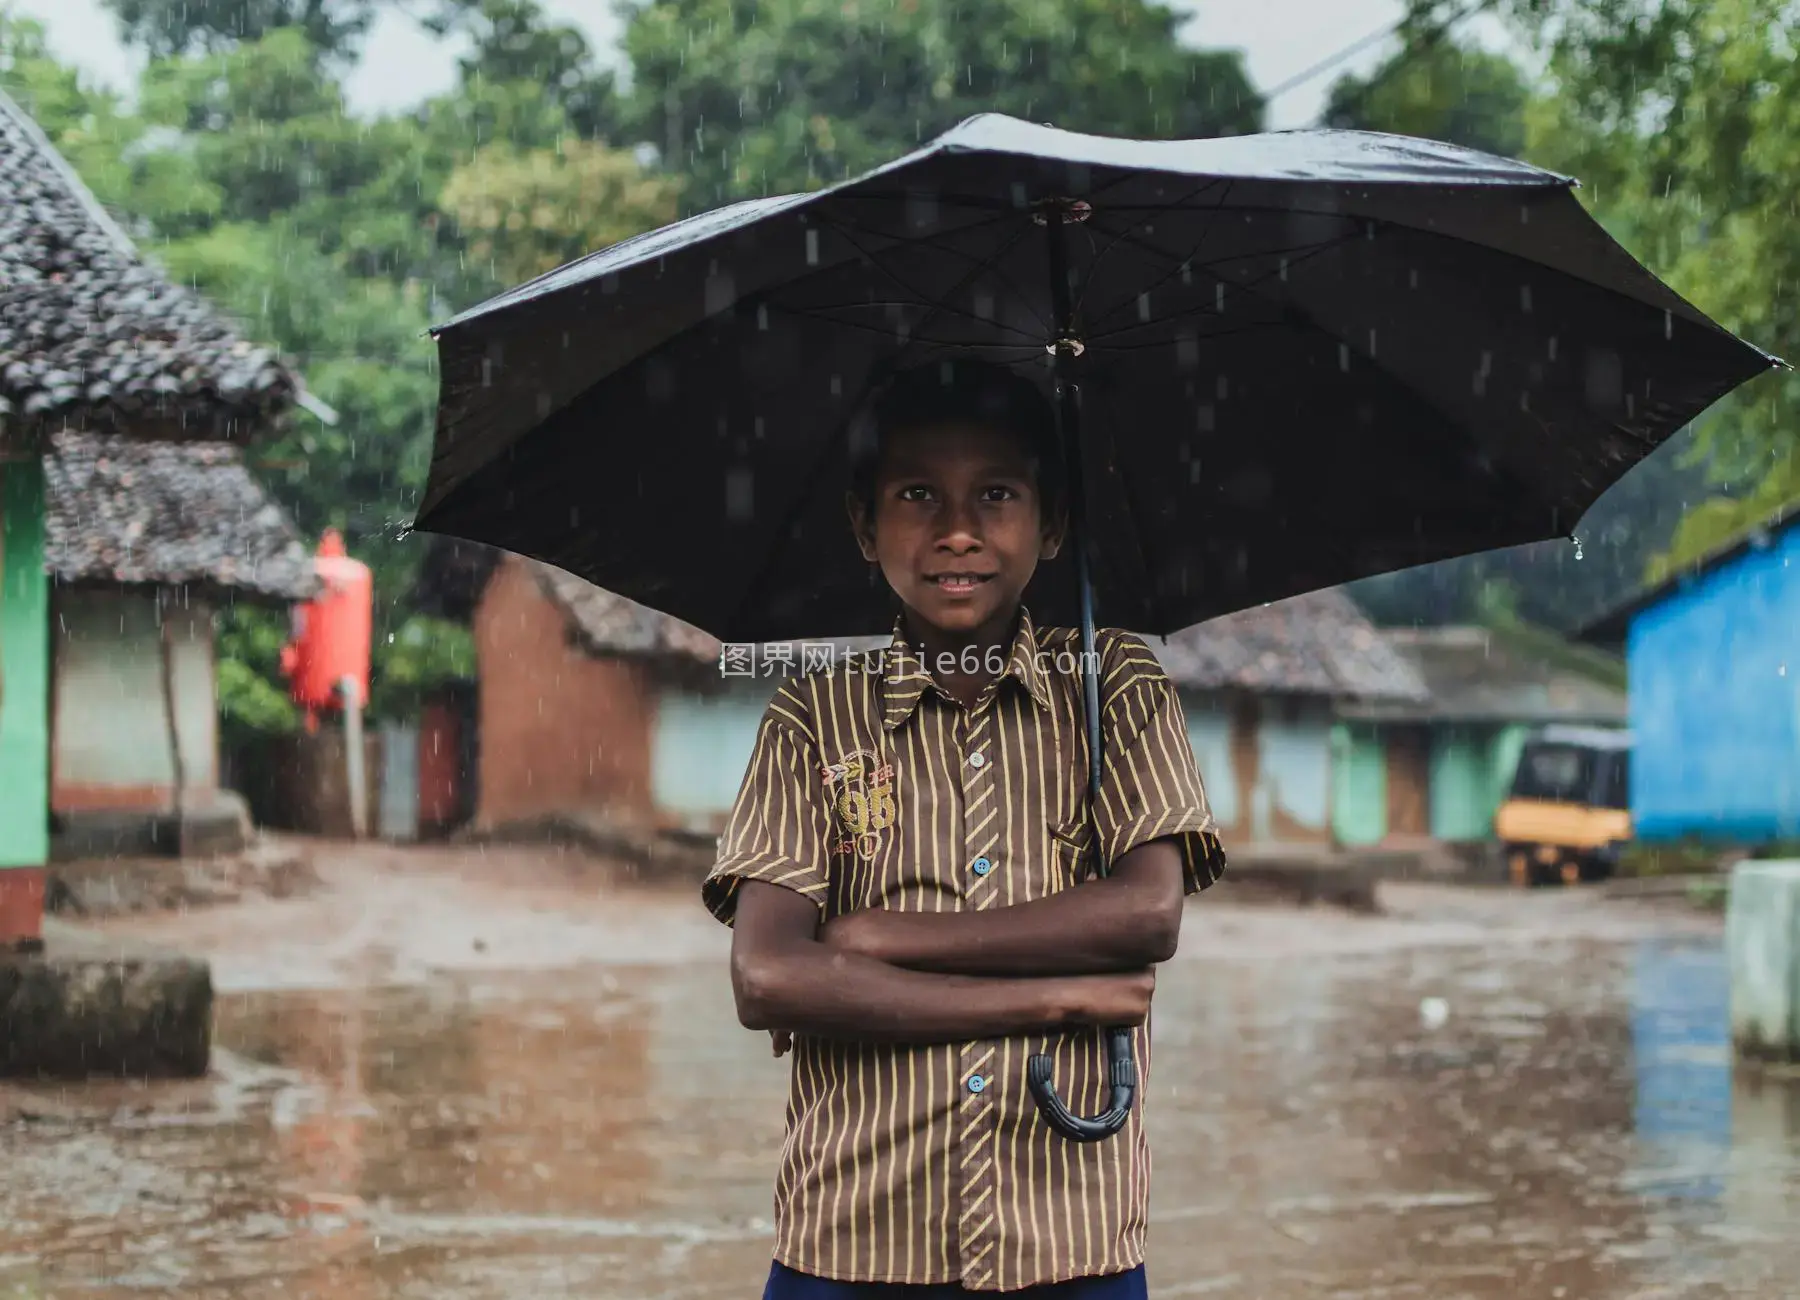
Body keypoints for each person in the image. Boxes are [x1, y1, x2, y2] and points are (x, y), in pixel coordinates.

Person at [702, 358, 1227, 1298]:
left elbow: (1148, 918)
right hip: (853, 1238)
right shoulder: (815, 715)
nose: (957, 531)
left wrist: (879, 940)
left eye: (997, 494)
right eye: (917, 495)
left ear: (1053, 522)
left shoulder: (1120, 692)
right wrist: (1053, 999)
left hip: (1071, 1240)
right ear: (867, 527)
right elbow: (769, 974)